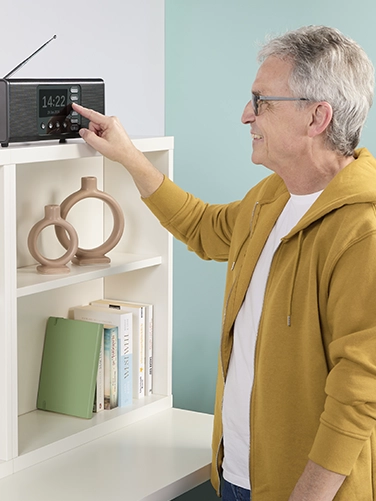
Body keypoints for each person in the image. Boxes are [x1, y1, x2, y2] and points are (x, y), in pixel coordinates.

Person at [73, 25, 376, 501]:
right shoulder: (273, 196)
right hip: (236, 473)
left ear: (317, 116)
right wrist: (130, 157)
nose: (245, 115)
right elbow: (204, 227)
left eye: (261, 101)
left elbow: (361, 390)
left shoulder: (364, 229)